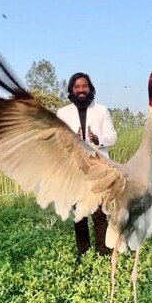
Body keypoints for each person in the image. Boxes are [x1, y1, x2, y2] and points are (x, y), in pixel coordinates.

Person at [56, 72, 118, 258]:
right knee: (79, 212)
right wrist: (71, 140)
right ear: (71, 90)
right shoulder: (62, 113)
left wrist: (98, 139)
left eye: (84, 86)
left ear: (90, 88)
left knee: (99, 212)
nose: (81, 90)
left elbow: (113, 137)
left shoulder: (101, 110)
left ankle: (102, 251)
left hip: (97, 166)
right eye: (77, 87)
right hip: (75, 167)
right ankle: (83, 251)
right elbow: (58, 140)